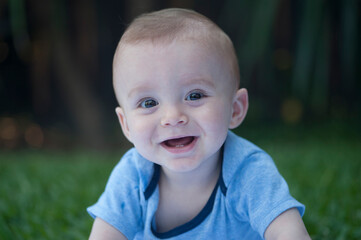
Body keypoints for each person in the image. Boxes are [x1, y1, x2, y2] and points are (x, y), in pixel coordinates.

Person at [87, 8, 311, 240]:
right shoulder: (133, 176)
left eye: (194, 96)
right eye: (149, 102)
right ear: (126, 125)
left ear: (235, 109)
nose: (172, 117)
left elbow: (288, 232)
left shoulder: (248, 171)